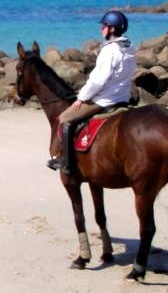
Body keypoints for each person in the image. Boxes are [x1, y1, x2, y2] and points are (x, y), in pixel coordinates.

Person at [47, 10, 137, 172]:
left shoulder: (110, 50)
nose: (101, 28)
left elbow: (98, 81)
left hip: (105, 100)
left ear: (112, 29)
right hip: (123, 97)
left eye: (104, 25)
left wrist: (81, 98)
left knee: (65, 118)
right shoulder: (129, 48)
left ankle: (65, 162)